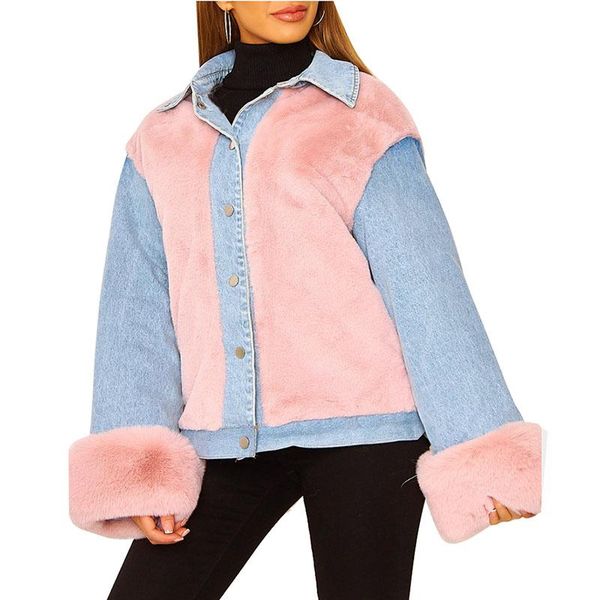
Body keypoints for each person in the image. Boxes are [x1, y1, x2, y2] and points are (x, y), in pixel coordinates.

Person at [68, 2, 543, 598]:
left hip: (366, 433)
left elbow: (427, 288)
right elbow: (137, 309)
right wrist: (141, 470)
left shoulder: (362, 114)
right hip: (224, 435)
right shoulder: (160, 138)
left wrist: (479, 442)